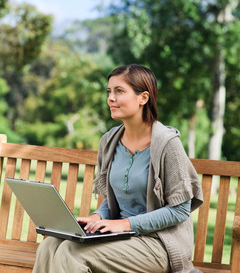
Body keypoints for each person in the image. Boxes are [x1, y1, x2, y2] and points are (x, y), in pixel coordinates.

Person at [33, 64, 203, 273]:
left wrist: (125, 224)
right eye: (109, 92)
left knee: (71, 252)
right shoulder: (109, 141)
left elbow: (180, 210)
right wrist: (97, 217)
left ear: (143, 98)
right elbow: (112, 201)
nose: (111, 98)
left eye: (119, 91)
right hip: (118, 237)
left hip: (158, 244)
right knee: (49, 246)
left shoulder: (168, 144)